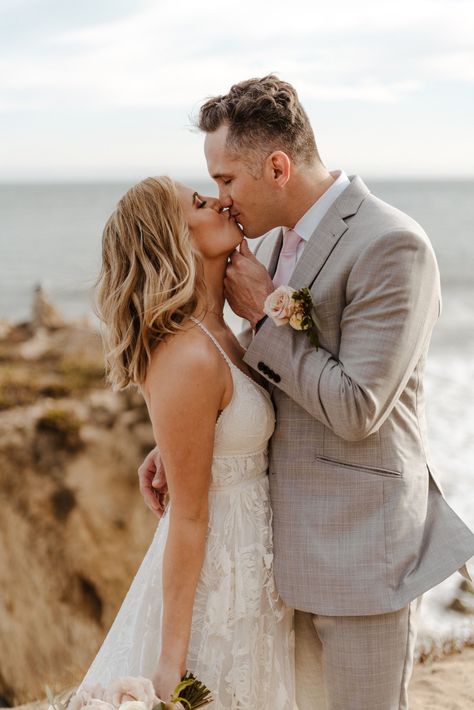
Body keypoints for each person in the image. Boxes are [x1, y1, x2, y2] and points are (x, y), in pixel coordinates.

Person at [139, 76, 474, 709]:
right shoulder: (266, 243)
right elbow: (262, 383)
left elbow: (356, 408)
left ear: (277, 166)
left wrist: (266, 319)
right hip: (278, 565)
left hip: (364, 561)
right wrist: (186, 442)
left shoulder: (390, 245)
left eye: (228, 182)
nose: (222, 200)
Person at [77, 177, 296, 708]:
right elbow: (189, 519)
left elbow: (224, 430)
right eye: (199, 203)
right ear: (172, 239)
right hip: (216, 584)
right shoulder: (186, 354)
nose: (220, 199)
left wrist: (174, 448)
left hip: (253, 570)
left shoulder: (222, 334)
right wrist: (170, 664)